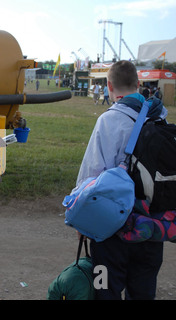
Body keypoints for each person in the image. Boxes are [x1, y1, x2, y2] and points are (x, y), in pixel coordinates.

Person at [73, 60, 167, 300]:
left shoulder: (108, 120)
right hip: (150, 228)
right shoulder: (159, 119)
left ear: (109, 85)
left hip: (110, 230)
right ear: (138, 84)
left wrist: (80, 220)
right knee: (143, 292)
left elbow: (91, 173)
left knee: (104, 289)